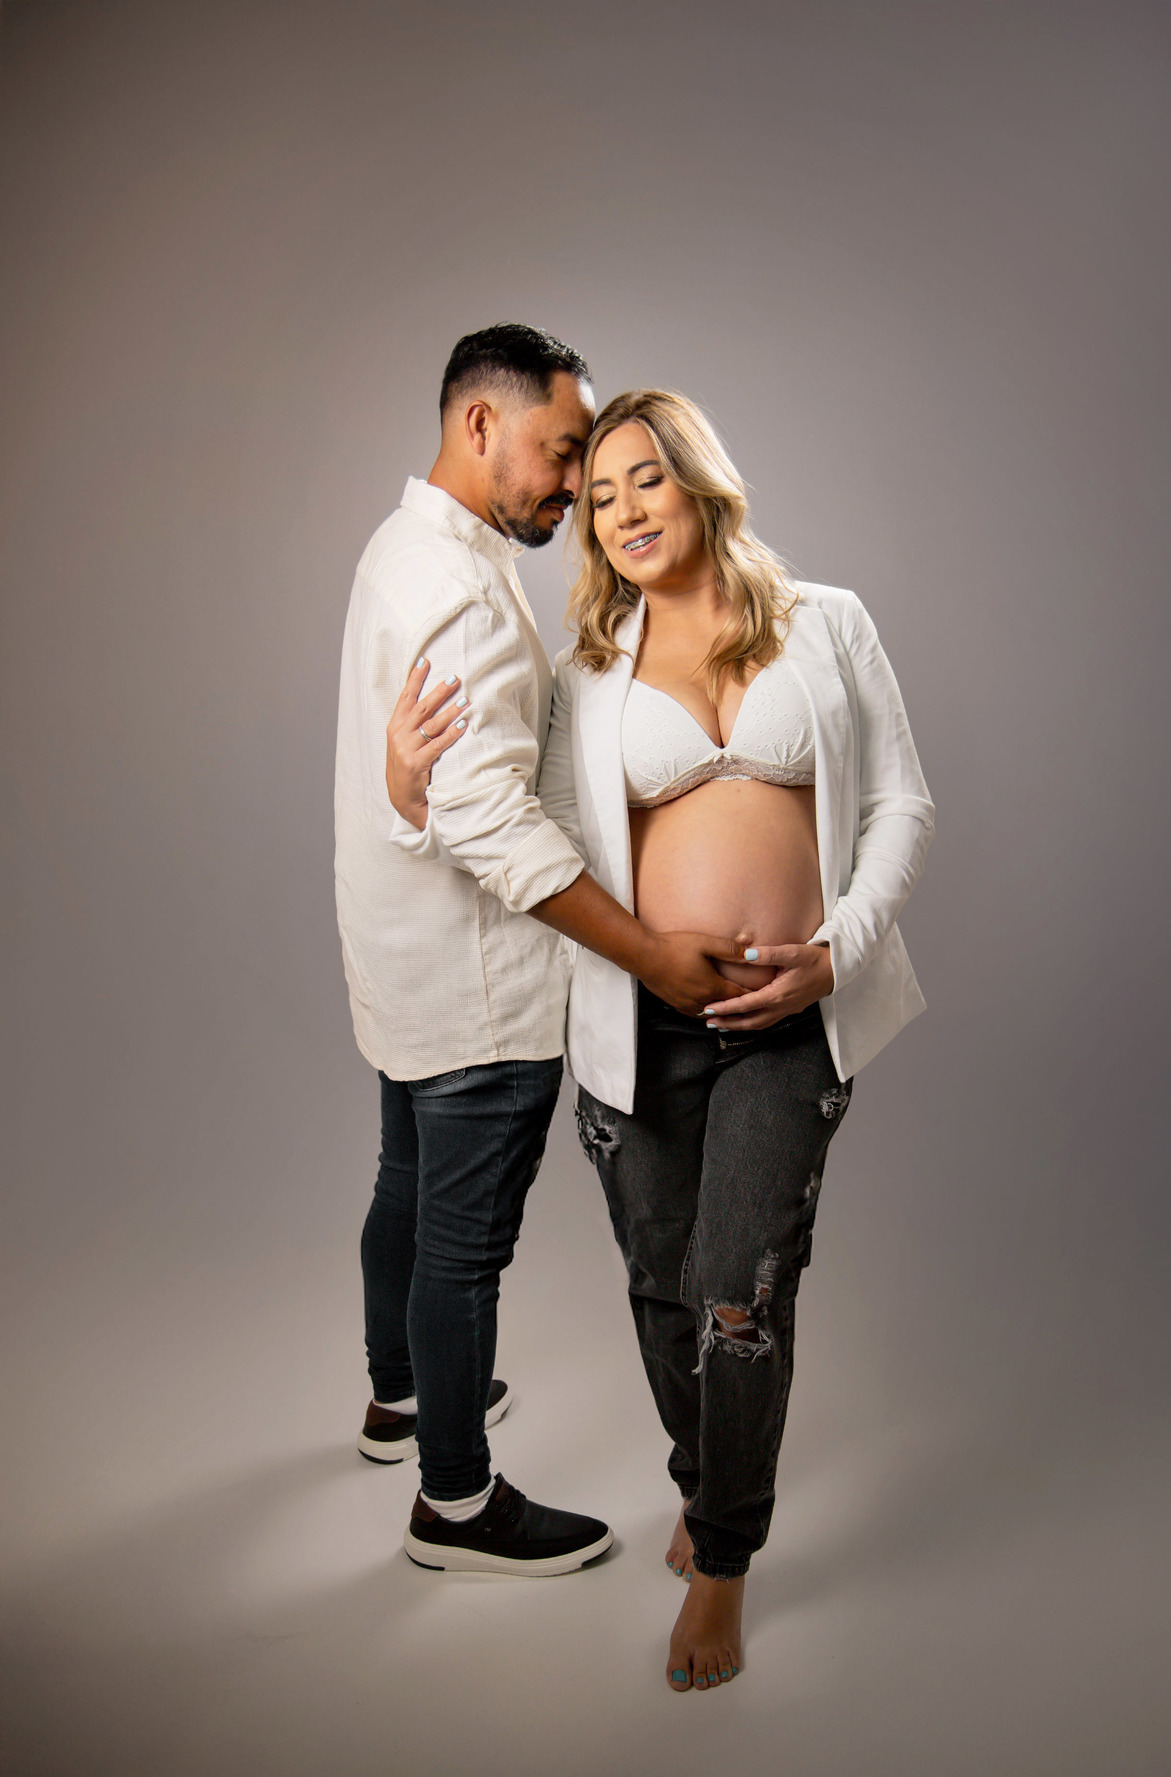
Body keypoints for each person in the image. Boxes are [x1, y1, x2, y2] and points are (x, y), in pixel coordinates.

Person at [389, 389, 933, 1675]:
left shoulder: (829, 623)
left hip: (790, 1026)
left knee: (738, 1291)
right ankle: (703, 1478)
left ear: (700, 480)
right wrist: (410, 787)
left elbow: (903, 805)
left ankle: (726, 1558)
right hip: (637, 1028)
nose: (623, 509)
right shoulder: (585, 669)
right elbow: (513, 828)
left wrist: (834, 956)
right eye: (600, 493)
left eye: (647, 478)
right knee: (661, 1285)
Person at [335, 332, 746, 1576]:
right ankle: (455, 1505)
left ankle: (400, 1396)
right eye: (564, 453)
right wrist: (652, 954)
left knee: (407, 1187)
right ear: (480, 426)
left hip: (404, 959)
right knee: (461, 1245)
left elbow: (461, 764)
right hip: (479, 985)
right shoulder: (456, 585)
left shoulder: (413, 546)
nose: (577, 485)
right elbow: (491, 823)